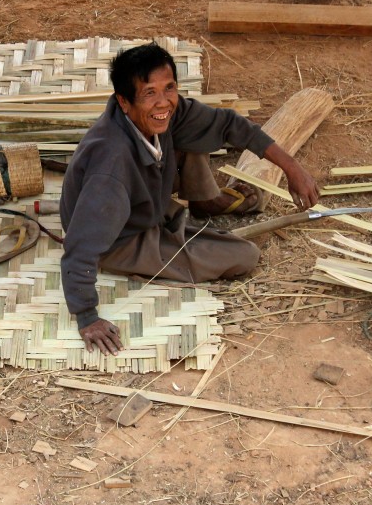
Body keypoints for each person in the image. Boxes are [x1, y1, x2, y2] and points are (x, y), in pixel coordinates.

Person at [59, 43, 320, 355]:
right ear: (124, 102)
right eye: (149, 93)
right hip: (119, 238)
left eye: (168, 88)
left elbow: (228, 124)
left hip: (141, 202)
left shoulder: (167, 112)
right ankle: (165, 233)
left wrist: (292, 168)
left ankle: (205, 201)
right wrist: (87, 316)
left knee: (193, 131)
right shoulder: (111, 166)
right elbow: (79, 248)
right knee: (243, 255)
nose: (163, 102)